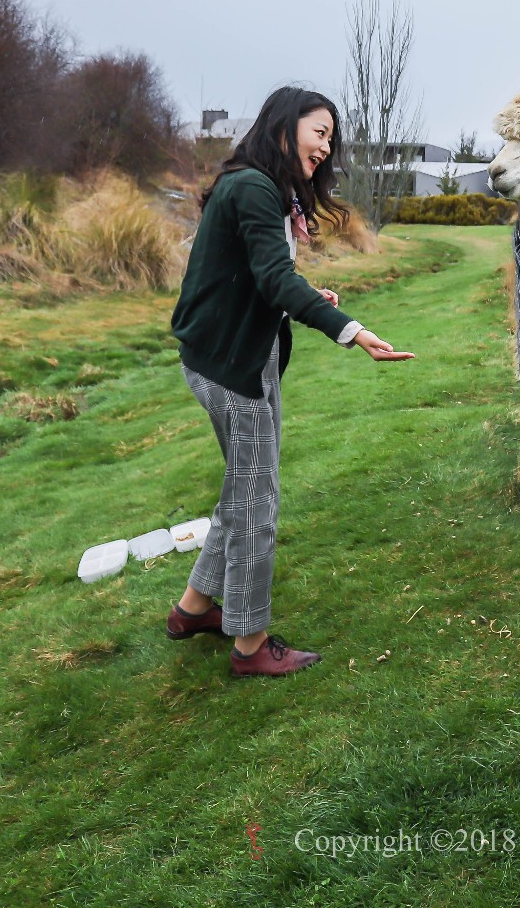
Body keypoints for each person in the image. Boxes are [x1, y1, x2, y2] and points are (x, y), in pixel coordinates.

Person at [165, 86, 414, 677]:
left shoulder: (258, 186)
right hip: (234, 368)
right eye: (319, 133)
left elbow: (258, 278)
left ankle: (192, 608)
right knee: (256, 503)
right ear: (283, 126)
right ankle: (250, 645)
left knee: (241, 489)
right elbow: (275, 279)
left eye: (332, 138)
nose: (327, 149)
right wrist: (350, 329)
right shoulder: (252, 186)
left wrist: (300, 299)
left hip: (235, 356)